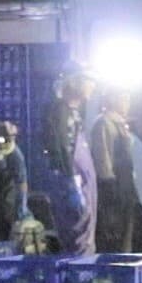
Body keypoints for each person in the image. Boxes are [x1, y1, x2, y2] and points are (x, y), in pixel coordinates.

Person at [43, 64, 98, 256]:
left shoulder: (74, 113)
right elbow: (61, 149)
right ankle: (78, 278)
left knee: (84, 236)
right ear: (74, 82)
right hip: (72, 183)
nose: (93, 85)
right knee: (77, 237)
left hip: (81, 182)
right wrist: (72, 182)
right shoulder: (61, 112)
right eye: (89, 80)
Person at [90, 87, 138, 252]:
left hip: (126, 186)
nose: (127, 103)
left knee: (126, 229)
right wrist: (109, 185)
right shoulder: (104, 123)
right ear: (112, 100)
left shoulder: (121, 124)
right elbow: (102, 156)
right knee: (112, 231)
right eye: (123, 98)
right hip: (111, 186)